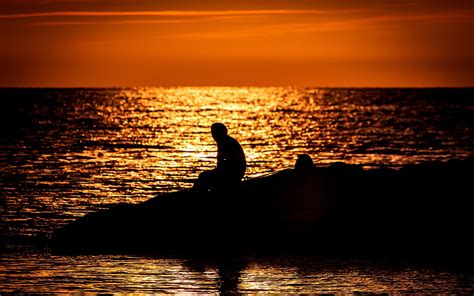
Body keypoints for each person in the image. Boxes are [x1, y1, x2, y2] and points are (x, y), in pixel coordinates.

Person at [194, 123, 246, 192]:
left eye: (213, 132)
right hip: (232, 170)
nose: (212, 135)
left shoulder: (226, 143)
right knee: (204, 176)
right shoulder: (225, 141)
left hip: (233, 172)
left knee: (203, 176)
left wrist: (218, 172)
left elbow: (224, 163)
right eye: (212, 132)